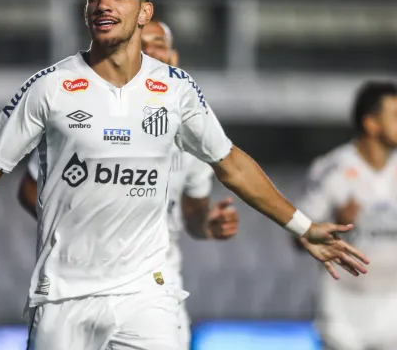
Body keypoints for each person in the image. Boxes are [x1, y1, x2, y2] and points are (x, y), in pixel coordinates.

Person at [0, 0, 369, 350]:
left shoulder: (176, 90)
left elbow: (230, 163)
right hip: (62, 297)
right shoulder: (50, 87)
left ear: (145, 12)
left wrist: (304, 227)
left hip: (147, 292)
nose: (103, 4)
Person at [17, 19, 239, 349]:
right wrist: (77, 223)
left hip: (154, 287)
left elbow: (192, 212)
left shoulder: (192, 125)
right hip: (78, 283)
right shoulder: (84, 113)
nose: (149, 53)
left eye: (158, 45)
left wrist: (208, 223)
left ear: (173, 58)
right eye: (139, 45)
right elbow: (30, 187)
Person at [296, 81, 397, 350]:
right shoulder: (332, 170)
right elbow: (298, 236)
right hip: (344, 310)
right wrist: (334, 224)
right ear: (372, 124)